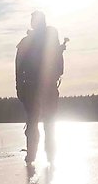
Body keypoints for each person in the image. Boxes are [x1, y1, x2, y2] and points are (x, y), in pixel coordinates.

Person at [15, 11, 64, 165]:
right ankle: (40, 155)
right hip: (37, 86)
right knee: (41, 123)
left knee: (39, 122)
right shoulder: (34, 41)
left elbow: (18, 66)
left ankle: (37, 155)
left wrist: (19, 86)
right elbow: (18, 66)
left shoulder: (31, 41)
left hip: (39, 87)